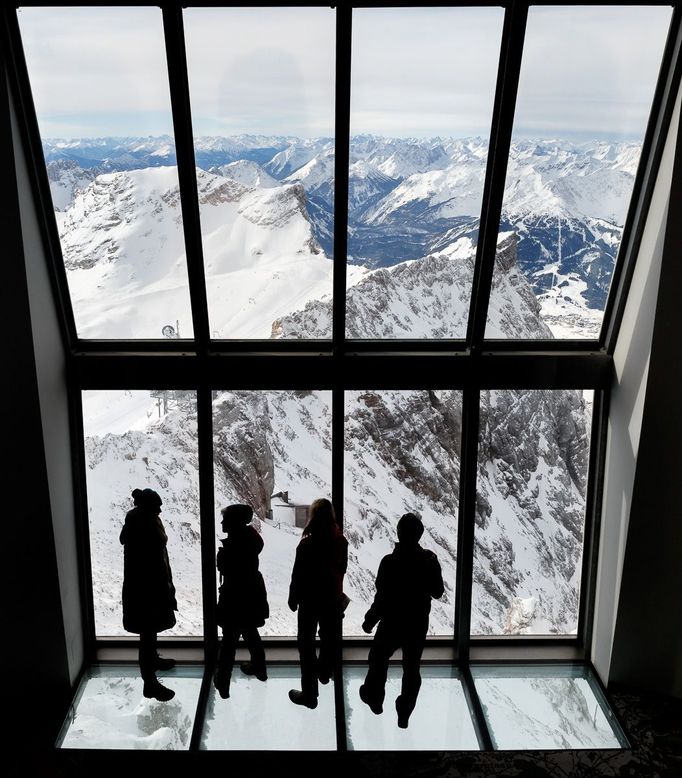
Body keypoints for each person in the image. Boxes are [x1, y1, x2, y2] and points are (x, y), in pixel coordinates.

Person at [359, 512, 444, 728]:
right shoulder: (429, 559)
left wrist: (370, 620)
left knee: (378, 659)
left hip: (391, 622)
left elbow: (382, 598)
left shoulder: (389, 562)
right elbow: (438, 592)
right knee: (412, 668)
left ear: (398, 533)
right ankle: (404, 711)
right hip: (417, 623)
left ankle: (374, 698)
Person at [287, 498, 348, 709]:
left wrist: (293, 597)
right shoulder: (341, 542)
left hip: (309, 601)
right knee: (329, 639)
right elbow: (342, 569)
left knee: (306, 644)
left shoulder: (306, 544)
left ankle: (310, 694)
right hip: (332, 599)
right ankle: (324, 670)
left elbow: (298, 575)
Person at [120, 488, 178, 701]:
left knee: (149, 633)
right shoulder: (145, 524)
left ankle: (152, 663)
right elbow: (153, 555)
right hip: (147, 590)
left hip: (144, 588)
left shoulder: (139, 522)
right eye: (157, 507)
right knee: (147, 634)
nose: (160, 511)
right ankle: (149, 682)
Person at [214, 503, 269, 699]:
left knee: (229, 641)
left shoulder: (233, 545)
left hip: (233, 596)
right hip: (250, 595)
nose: (222, 522)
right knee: (251, 633)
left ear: (234, 522)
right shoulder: (249, 541)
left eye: (225, 519)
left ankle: (223, 682)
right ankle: (260, 669)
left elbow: (225, 568)